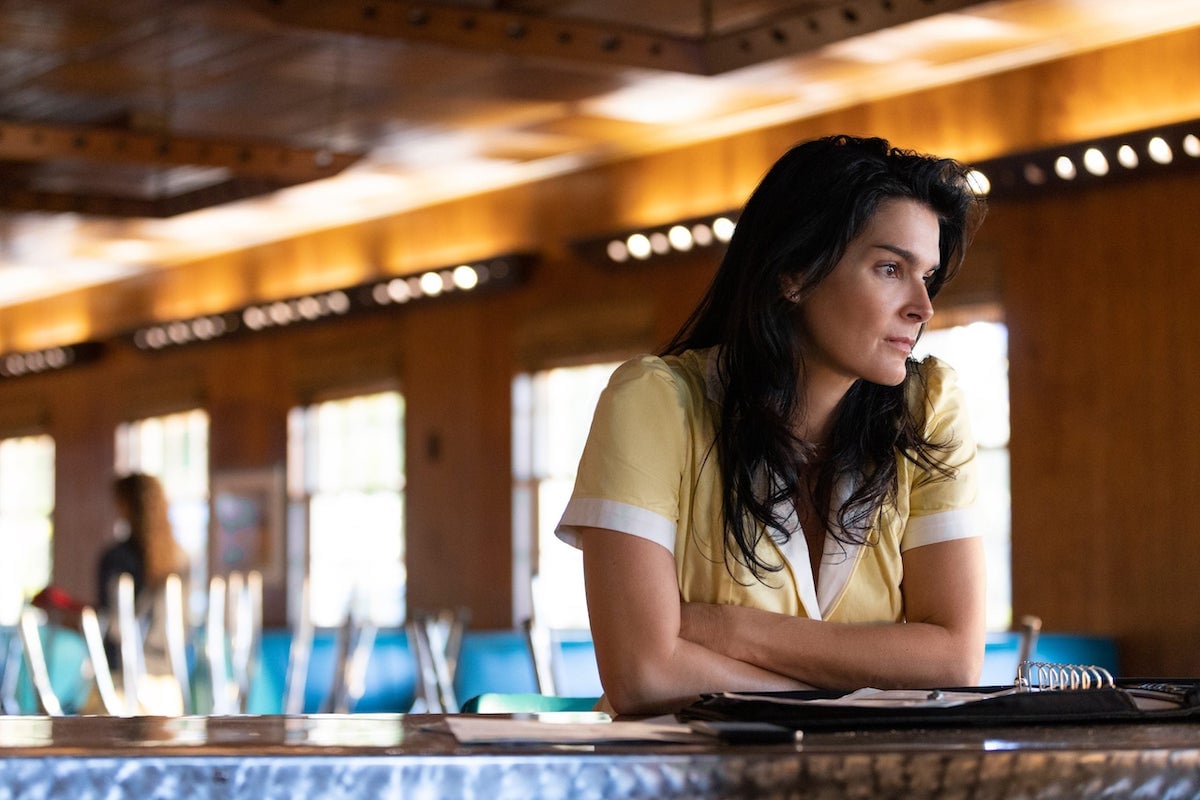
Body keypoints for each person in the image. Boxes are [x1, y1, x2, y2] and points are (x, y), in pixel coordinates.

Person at [555, 135, 988, 715]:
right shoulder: (654, 402)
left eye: (926, 276)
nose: (922, 307)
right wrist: (857, 696)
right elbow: (644, 675)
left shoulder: (929, 407)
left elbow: (954, 662)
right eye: (889, 268)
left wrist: (727, 631)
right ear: (795, 272)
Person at [97, 472, 189, 712]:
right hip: (169, 683)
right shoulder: (180, 558)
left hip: (121, 682)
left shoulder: (116, 558)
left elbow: (113, 624)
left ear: (128, 505)